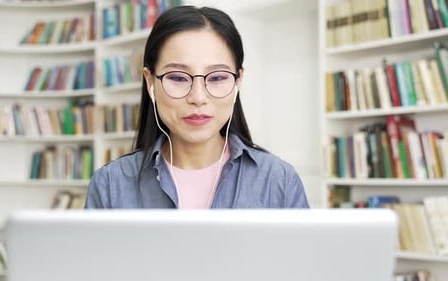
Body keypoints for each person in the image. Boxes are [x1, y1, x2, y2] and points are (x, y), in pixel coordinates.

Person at [85, 5, 309, 209]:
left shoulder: (280, 181)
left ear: (238, 81)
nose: (198, 97)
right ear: (150, 81)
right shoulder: (110, 185)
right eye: (179, 78)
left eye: (218, 77)